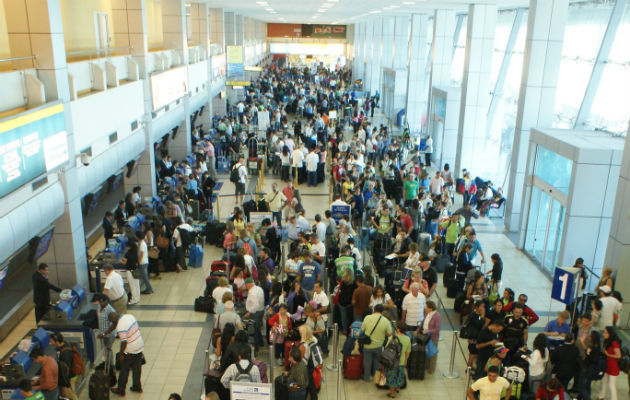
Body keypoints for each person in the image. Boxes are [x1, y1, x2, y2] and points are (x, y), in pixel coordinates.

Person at [110, 312, 144, 396]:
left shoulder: (120, 326)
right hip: (139, 345)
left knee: (124, 370)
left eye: (111, 321)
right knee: (137, 368)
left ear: (114, 320)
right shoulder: (129, 316)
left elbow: (124, 342)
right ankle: (137, 387)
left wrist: (121, 354)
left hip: (130, 349)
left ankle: (121, 390)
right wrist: (106, 332)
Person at [360, 304, 392, 382]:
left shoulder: (367, 318)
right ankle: (375, 377)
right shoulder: (386, 320)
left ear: (374, 310)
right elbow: (390, 333)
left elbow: (362, 329)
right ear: (382, 311)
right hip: (378, 346)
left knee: (367, 362)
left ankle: (366, 378)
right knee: (377, 363)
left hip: (367, 345)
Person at [49, 333, 79, 400]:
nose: (50, 343)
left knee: (69, 394)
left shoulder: (65, 353)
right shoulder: (65, 345)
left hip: (69, 377)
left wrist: (65, 381)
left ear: (56, 342)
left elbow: (67, 368)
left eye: (51, 341)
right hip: (70, 375)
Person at [386, 321, 411, 399]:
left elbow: (387, 348)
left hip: (392, 362)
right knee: (399, 375)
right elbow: (408, 351)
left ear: (398, 329)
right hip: (401, 362)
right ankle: (398, 388)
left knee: (392, 377)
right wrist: (406, 360)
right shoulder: (407, 339)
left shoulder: (392, 338)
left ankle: (392, 394)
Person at [598, 326, 621, 400]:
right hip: (606, 365)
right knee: (603, 382)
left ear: (610, 334)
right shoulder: (606, 341)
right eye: (604, 332)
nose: (604, 334)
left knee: (611, 385)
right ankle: (601, 396)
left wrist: (608, 354)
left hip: (613, 367)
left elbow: (618, 355)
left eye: (606, 333)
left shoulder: (614, 343)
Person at [418, 301, 441, 374]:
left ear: (430, 308)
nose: (425, 308)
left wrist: (428, 331)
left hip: (433, 338)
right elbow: (423, 322)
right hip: (425, 337)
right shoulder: (427, 313)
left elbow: (437, 329)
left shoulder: (437, 316)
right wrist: (418, 330)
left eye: (426, 307)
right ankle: (426, 366)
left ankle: (431, 369)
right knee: (426, 352)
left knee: (433, 353)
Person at [244, 278, 265, 354]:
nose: (246, 287)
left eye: (246, 285)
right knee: (257, 327)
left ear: (248, 284)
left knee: (255, 330)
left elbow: (255, 305)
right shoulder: (258, 288)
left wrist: (249, 313)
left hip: (255, 313)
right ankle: (261, 343)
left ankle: (256, 348)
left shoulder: (253, 293)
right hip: (261, 310)